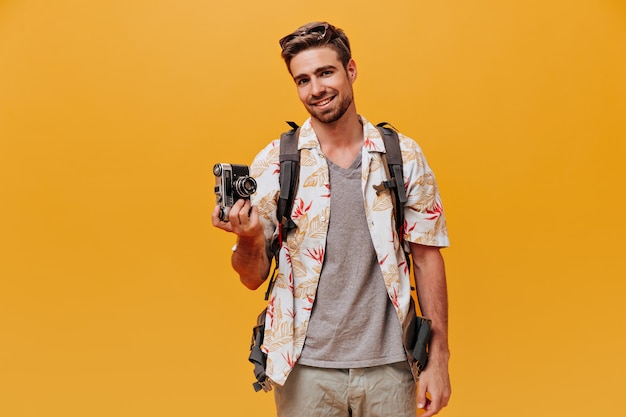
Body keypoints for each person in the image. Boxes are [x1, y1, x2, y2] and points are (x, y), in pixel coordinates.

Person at [212, 21, 451, 417]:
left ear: (351, 70)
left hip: (391, 366)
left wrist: (439, 357)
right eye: (303, 79)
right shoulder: (275, 163)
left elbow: (427, 259)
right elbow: (252, 276)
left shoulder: (402, 156)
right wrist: (251, 237)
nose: (316, 89)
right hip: (305, 371)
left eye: (326, 72)